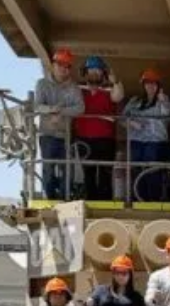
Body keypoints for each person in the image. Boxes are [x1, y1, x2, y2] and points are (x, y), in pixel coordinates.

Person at [34, 48, 85, 199]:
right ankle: (50, 198)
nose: (64, 69)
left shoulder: (73, 88)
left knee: (67, 171)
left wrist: (61, 112)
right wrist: (51, 110)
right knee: (48, 170)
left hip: (66, 136)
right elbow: (37, 106)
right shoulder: (42, 84)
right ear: (53, 65)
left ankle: (64, 200)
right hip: (47, 135)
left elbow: (80, 108)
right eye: (61, 64)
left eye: (68, 66)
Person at [75, 56, 124, 200]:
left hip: (105, 139)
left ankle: (105, 202)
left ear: (103, 74)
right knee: (88, 172)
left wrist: (115, 81)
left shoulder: (111, 89)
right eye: (91, 70)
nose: (94, 73)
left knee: (105, 173)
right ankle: (89, 201)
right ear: (86, 72)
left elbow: (118, 96)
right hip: (83, 138)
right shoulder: (78, 89)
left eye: (98, 71)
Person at [124, 68, 170, 202]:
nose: (150, 86)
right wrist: (131, 123)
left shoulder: (163, 100)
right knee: (135, 168)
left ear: (158, 85)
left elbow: (166, 113)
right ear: (143, 85)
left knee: (151, 168)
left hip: (155, 142)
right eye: (147, 83)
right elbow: (122, 118)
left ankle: (152, 199)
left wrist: (163, 101)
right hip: (136, 140)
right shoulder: (135, 101)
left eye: (153, 83)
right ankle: (136, 198)